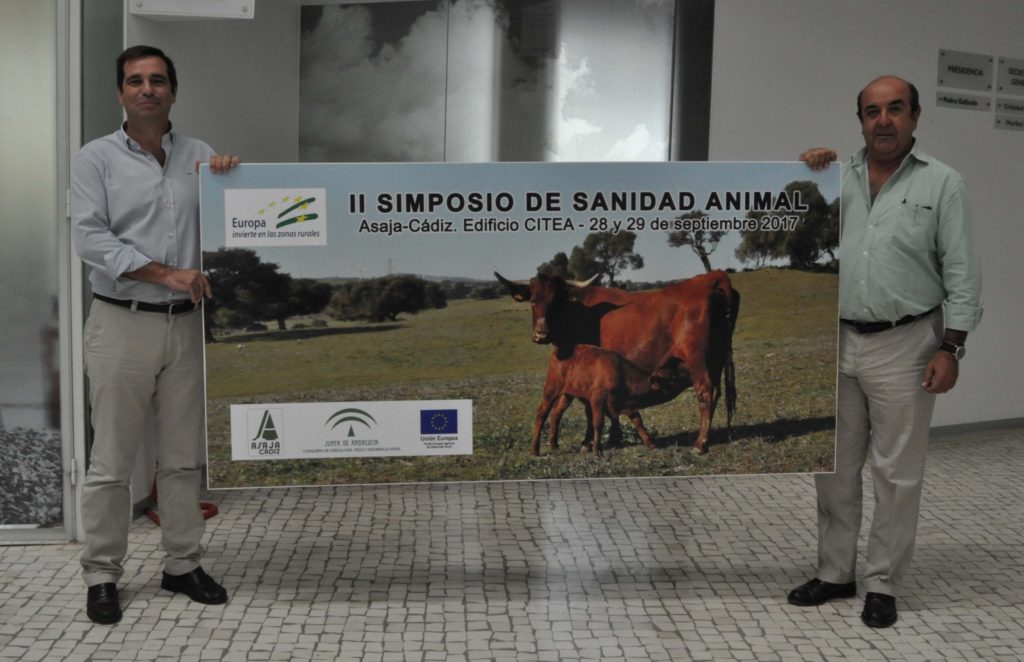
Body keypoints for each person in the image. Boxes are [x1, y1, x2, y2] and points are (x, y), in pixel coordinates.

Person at [787, 75, 983, 628]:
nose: (884, 121)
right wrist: (804, 173)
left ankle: (882, 582)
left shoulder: (944, 184)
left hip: (909, 341)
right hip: (836, 339)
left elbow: (964, 272)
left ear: (915, 117)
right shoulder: (835, 178)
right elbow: (790, 223)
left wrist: (952, 346)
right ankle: (834, 572)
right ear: (861, 121)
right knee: (833, 467)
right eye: (872, 112)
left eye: (896, 109)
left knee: (896, 473)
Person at [71, 45, 240, 625]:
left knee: (181, 458)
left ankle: (181, 564)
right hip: (121, 321)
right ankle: (101, 574)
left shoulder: (200, 155)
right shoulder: (94, 158)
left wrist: (230, 183)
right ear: (120, 93)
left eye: (158, 80)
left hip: (186, 328)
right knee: (112, 461)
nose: (148, 89)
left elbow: (226, 229)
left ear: (173, 89)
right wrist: (167, 273)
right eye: (135, 81)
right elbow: (90, 239)